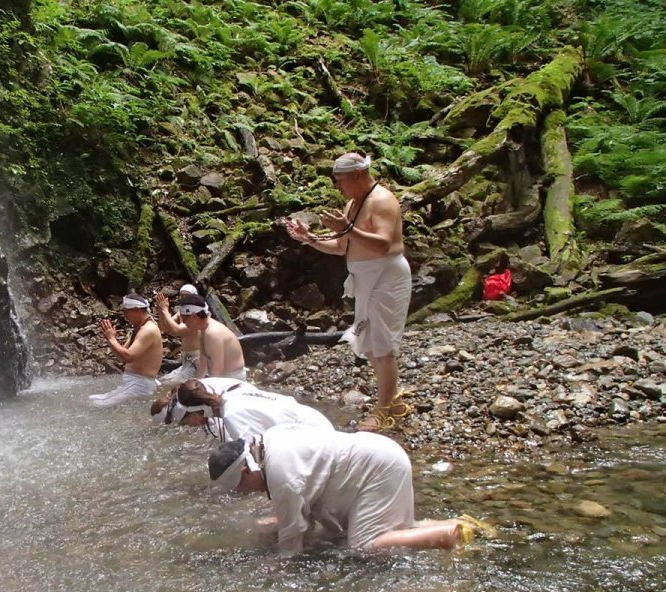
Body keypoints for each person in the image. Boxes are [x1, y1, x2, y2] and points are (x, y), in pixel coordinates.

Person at [208, 424, 494, 553]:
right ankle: (461, 525)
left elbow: (293, 540)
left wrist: (276, 573)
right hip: (376, 456)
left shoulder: (282, 474)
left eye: (241, 487)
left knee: (365, 546)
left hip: (379, 470)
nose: (245, 493)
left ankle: (450, 534)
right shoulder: (268, 441)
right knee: (390, 531)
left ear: (246, 470)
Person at [284, 152, 412, 431]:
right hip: (364, 277)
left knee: (382, 345)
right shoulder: (353, 204)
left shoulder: (382, 201)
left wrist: (348, 228)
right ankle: (393, 401)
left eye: (340, 180)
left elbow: (382, 244)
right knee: (371, 342)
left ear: (357, 174)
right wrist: (309, 238)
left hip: (386, 277)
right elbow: (342, 246)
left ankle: (383, 412)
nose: (338, 186)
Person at [152, 378, 333, 441]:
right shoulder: (228, 399)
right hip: (314, 419)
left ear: (197, 412)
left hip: (315, 434)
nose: (190, 426)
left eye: (186, 422)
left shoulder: (231, 416)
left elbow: (257, 461)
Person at [89, 293, 163, 408]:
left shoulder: (148, 330)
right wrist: (110, 339)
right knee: (92, 399)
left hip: (139, 384)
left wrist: (112, 338)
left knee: (97, 405)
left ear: (137, 310)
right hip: (134, 383)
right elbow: (122, 356)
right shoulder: (140, 328)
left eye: (126, 311)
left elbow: (129, 356)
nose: (124, 316)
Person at [178, 293, 247, 380]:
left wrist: (205, 389)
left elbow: (217, 371)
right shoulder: (203, 330)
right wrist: (198, 381)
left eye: (184, 319)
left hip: (232, 378)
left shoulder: (212, 334)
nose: (184, 323)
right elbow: (203, 362)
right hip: (220, 376)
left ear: (194, 317)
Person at [155, 283, 202, 386]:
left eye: (187, 295)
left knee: (169, 384)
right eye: (182, 296)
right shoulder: (182, 312)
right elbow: (164, 328)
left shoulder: (197, 313)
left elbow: (177, 330)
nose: (184, 298)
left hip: (197, 361)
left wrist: (165, 310)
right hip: (186, 360)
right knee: (161, 381)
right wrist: (161, 311)